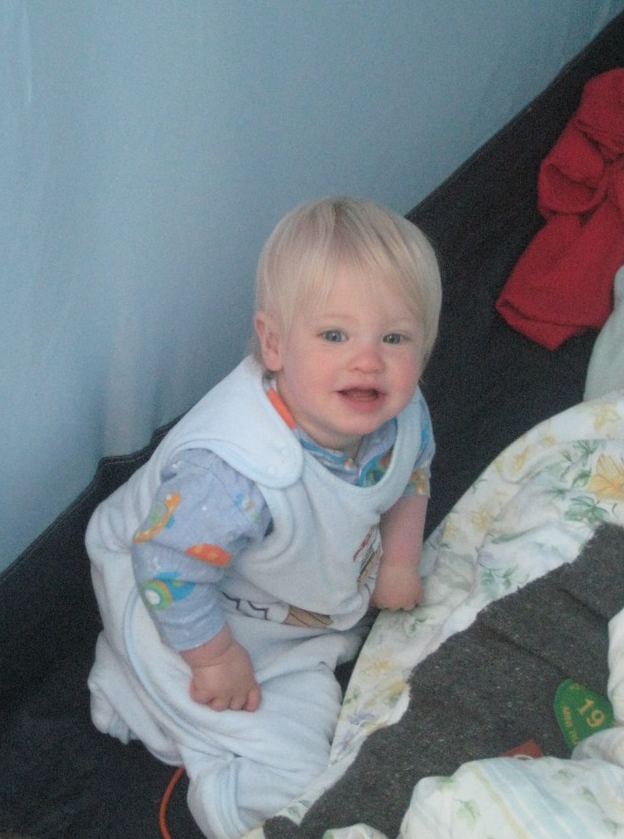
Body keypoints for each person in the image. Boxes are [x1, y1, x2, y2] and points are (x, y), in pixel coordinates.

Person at [86, 196, 442, 839]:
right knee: (298, 771)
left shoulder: (401, 416)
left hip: (296, 620)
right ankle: (220, 798)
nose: (368, 360)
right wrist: (216, 659)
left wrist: (399, 563)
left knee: (324, 726)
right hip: (185, 609)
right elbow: (166, 564)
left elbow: (412, 474)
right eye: (334, 336)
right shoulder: (237, 474)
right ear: (274, 344)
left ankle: (139, 695)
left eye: (394, 338)